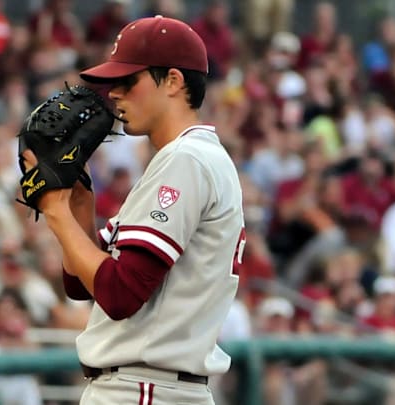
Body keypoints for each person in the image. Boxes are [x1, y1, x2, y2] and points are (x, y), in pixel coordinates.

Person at [21, 15, 245, 405]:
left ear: (174, 81)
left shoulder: (186, 158)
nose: (116, 94)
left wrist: (54, 211)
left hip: (144, 389)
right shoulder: (186, 158)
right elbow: (82, 283)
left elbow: (121, 294)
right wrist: (78, 206)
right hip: (153, 386)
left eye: (129, 80)